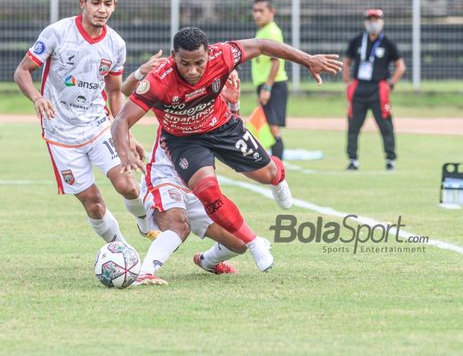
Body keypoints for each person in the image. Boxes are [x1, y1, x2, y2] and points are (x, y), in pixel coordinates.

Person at [111, 27, 342, 272]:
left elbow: (262, 44)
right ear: (173, 56)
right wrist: (124, 150)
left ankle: (277, 180)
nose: (192, 71)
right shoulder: (159, 80)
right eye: (184, 63)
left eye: (199, 63)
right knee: (207, 192)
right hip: (186, 142)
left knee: (268, 174)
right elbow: (122, 119)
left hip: (222, 127)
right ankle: (254, 243)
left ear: (209, 54)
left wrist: (307, 60)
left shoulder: (223, 55)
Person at [13, 0, 155, 245]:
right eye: (96, 2)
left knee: (128, 185)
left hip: (98, 125)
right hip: (61, 135)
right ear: (83, 3)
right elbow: (22, 71)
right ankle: (121, 252)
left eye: (108, 4)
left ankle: (144, 223)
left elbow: (114, 91)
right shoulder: (57, 33)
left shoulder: (116, 44)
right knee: (94, 205)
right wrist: (36, 98)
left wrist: (126, 134)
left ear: (115, 6)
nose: (102, 9)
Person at [120, 52, 248, 286]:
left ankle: (207, 261)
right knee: (179, 225)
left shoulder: (214, 98)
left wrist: (234, 103)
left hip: (197, 188)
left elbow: (235, 136)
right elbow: (126, 91)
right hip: (165, 176)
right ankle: (144, 272)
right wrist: (141, 71)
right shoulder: (169, 87)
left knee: (241, 242)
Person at [343, 9, 406, 171]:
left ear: (382, 21)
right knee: (353, 125)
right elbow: (346, 62)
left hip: (378, 89)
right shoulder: (357, 41)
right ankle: (352, 159)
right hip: (359, 88)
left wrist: (391, 84)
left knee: (385, 125)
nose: (373, 22)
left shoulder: (387, 43)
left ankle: (390, 159)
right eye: (370, 19)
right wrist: (348, 82)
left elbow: (400, 66)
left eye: (376, 19)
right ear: (365, 22)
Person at [251, 0, 288, 159]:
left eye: (261, 11)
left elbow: (276, 62)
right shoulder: (262, 31)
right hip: (265, 84)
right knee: (266, 126)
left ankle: (279, 165)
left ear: (272, 12)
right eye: (255, 11)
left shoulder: (272, 32)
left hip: (274, 85)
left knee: (273, 128)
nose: (257, 15)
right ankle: (272, 163)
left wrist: (267, 87)